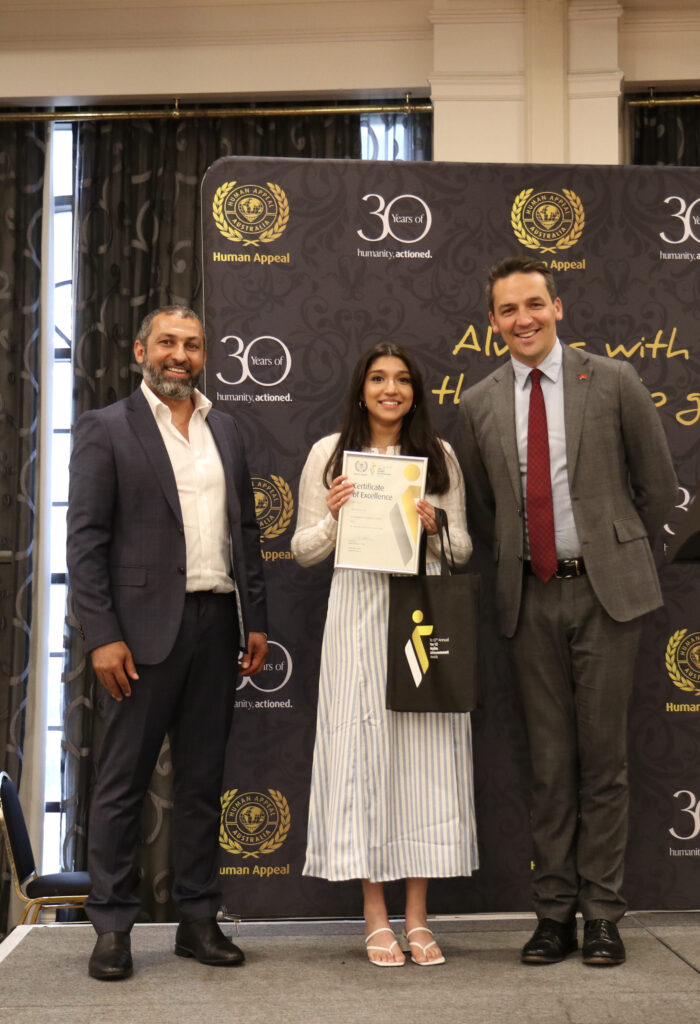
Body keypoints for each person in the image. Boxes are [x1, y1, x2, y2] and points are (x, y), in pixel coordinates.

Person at [455, 257, 677, 967]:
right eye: (507, 310)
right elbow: (487, 512)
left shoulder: (612, 381)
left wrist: (607, 547)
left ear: (559, 306)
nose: (522, 318)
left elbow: (657, 484)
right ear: (492, 323)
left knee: (604, 760)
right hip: (528, 595)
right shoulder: (480, 401)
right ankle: (553, 914)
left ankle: (604, 915)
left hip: (607, 594)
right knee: (550, 765)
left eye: (533, 304)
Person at [67, 305, 268, 980]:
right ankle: (113, 927)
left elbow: (247, 533)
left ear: (205, 354)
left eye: (192, 344)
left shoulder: (228, 430)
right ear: (140, 350)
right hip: (139, 637)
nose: (179, 354)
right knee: (122, 782)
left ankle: (197, 921)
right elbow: (86, 545)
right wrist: (103, 637)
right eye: (167, 343)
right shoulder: (106, 430)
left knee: (202, 783)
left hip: (217, 626)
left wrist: (258, 620)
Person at [292, 342, 478, 967]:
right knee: (363, 755)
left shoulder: (439, 455)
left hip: (418, 616)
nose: (390, 389)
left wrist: (436, 528)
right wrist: (336, 520)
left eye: (401, 380)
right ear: (361, 388)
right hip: (355, 617)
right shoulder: (329, 454)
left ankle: (418, 917)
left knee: (420, 761)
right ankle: (375, 915)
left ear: (416, 392)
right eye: (378, 378)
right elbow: (302, 550)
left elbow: (462, 553)